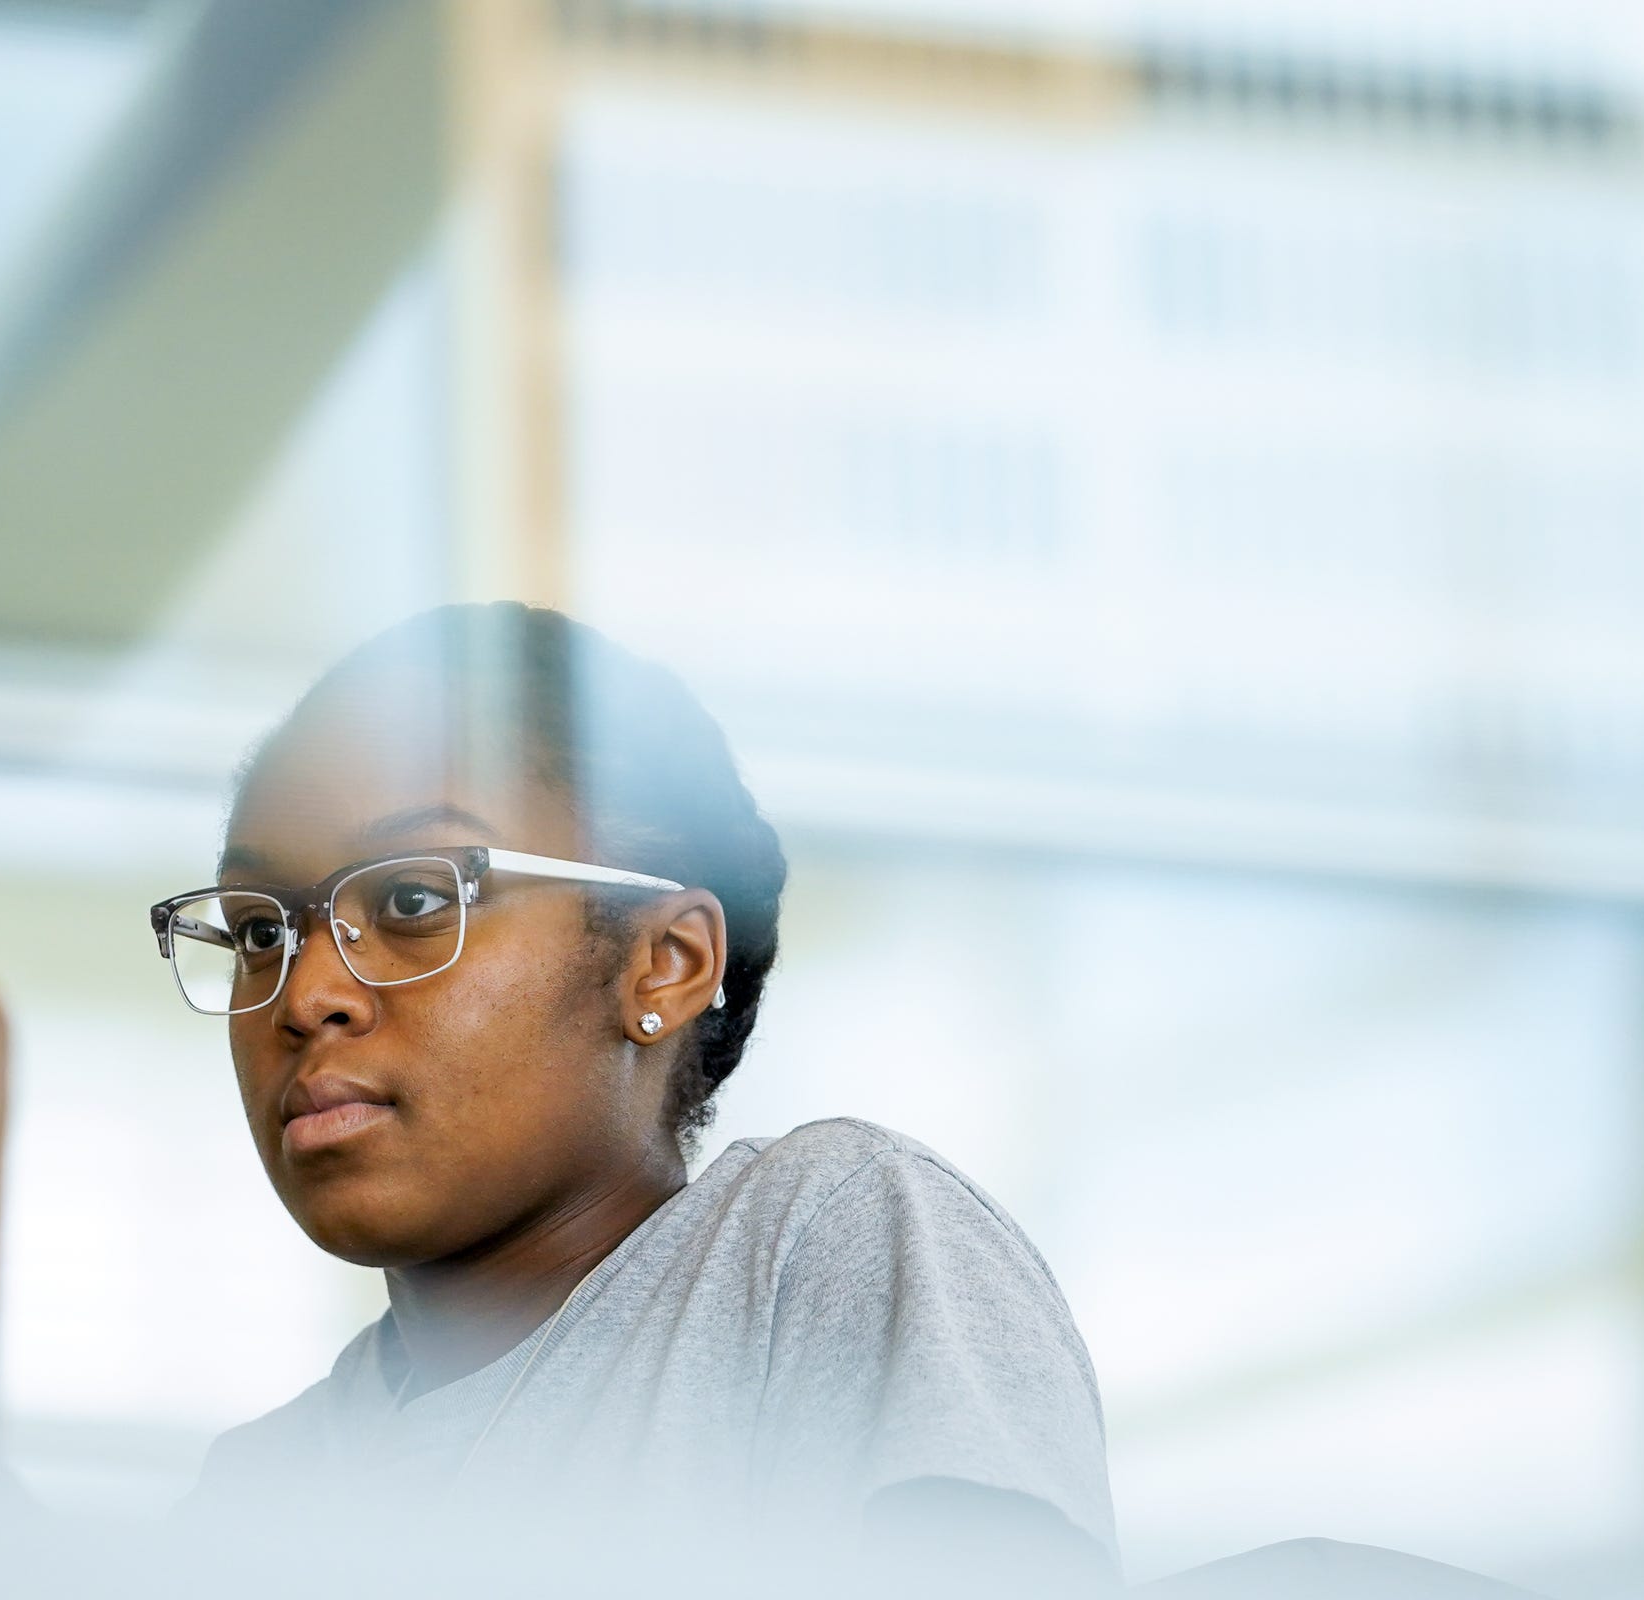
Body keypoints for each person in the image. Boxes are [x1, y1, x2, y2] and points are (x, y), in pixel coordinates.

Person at [157, 603, 1114, 1587]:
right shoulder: (251, 1498)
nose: (307, 994)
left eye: (412, 901)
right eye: (259, 933)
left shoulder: (825, 1239)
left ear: (663, 964)